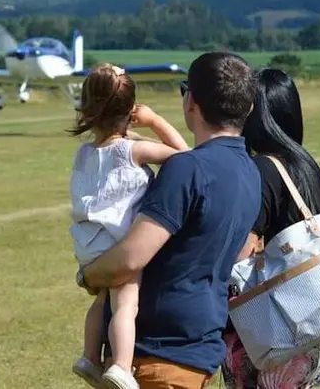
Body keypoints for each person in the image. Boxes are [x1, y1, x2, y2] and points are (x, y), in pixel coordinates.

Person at [77, 51, 260, 389]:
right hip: (202, 345)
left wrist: (88, 274)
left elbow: (131, 257)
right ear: (247, 107)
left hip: (159, 354)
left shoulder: (187, 169)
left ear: (191, 103)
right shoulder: (250, 170)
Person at [68, 64, 190, 389]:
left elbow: (111, 142)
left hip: (88, 245)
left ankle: (90, 357)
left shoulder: (83, 153)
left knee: (101, 300)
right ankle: (121, 366)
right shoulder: (135, 151)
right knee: (126, 303)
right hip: (119, 246)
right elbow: (185, 157)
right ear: (130, 111)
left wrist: (127, 132)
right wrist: (154, 121)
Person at [221, 68, 320, 388]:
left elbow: (242, 252)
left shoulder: (264, 169)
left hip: (270, 329)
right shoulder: (306, 165)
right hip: (309, 324)